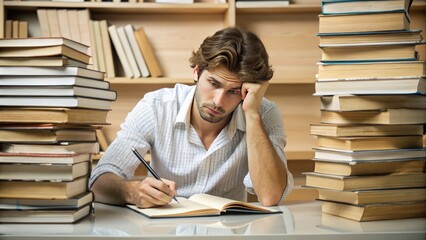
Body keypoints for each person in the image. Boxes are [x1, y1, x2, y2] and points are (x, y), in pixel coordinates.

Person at [90, 27, 294, 208]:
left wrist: (251, 114)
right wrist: (133, 192)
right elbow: (99, 181)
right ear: (196, 72)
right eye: (213, 83)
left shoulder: (262, 112)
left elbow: (270, 196)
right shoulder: (156, 107)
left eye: (234, 91)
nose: (218, 101)